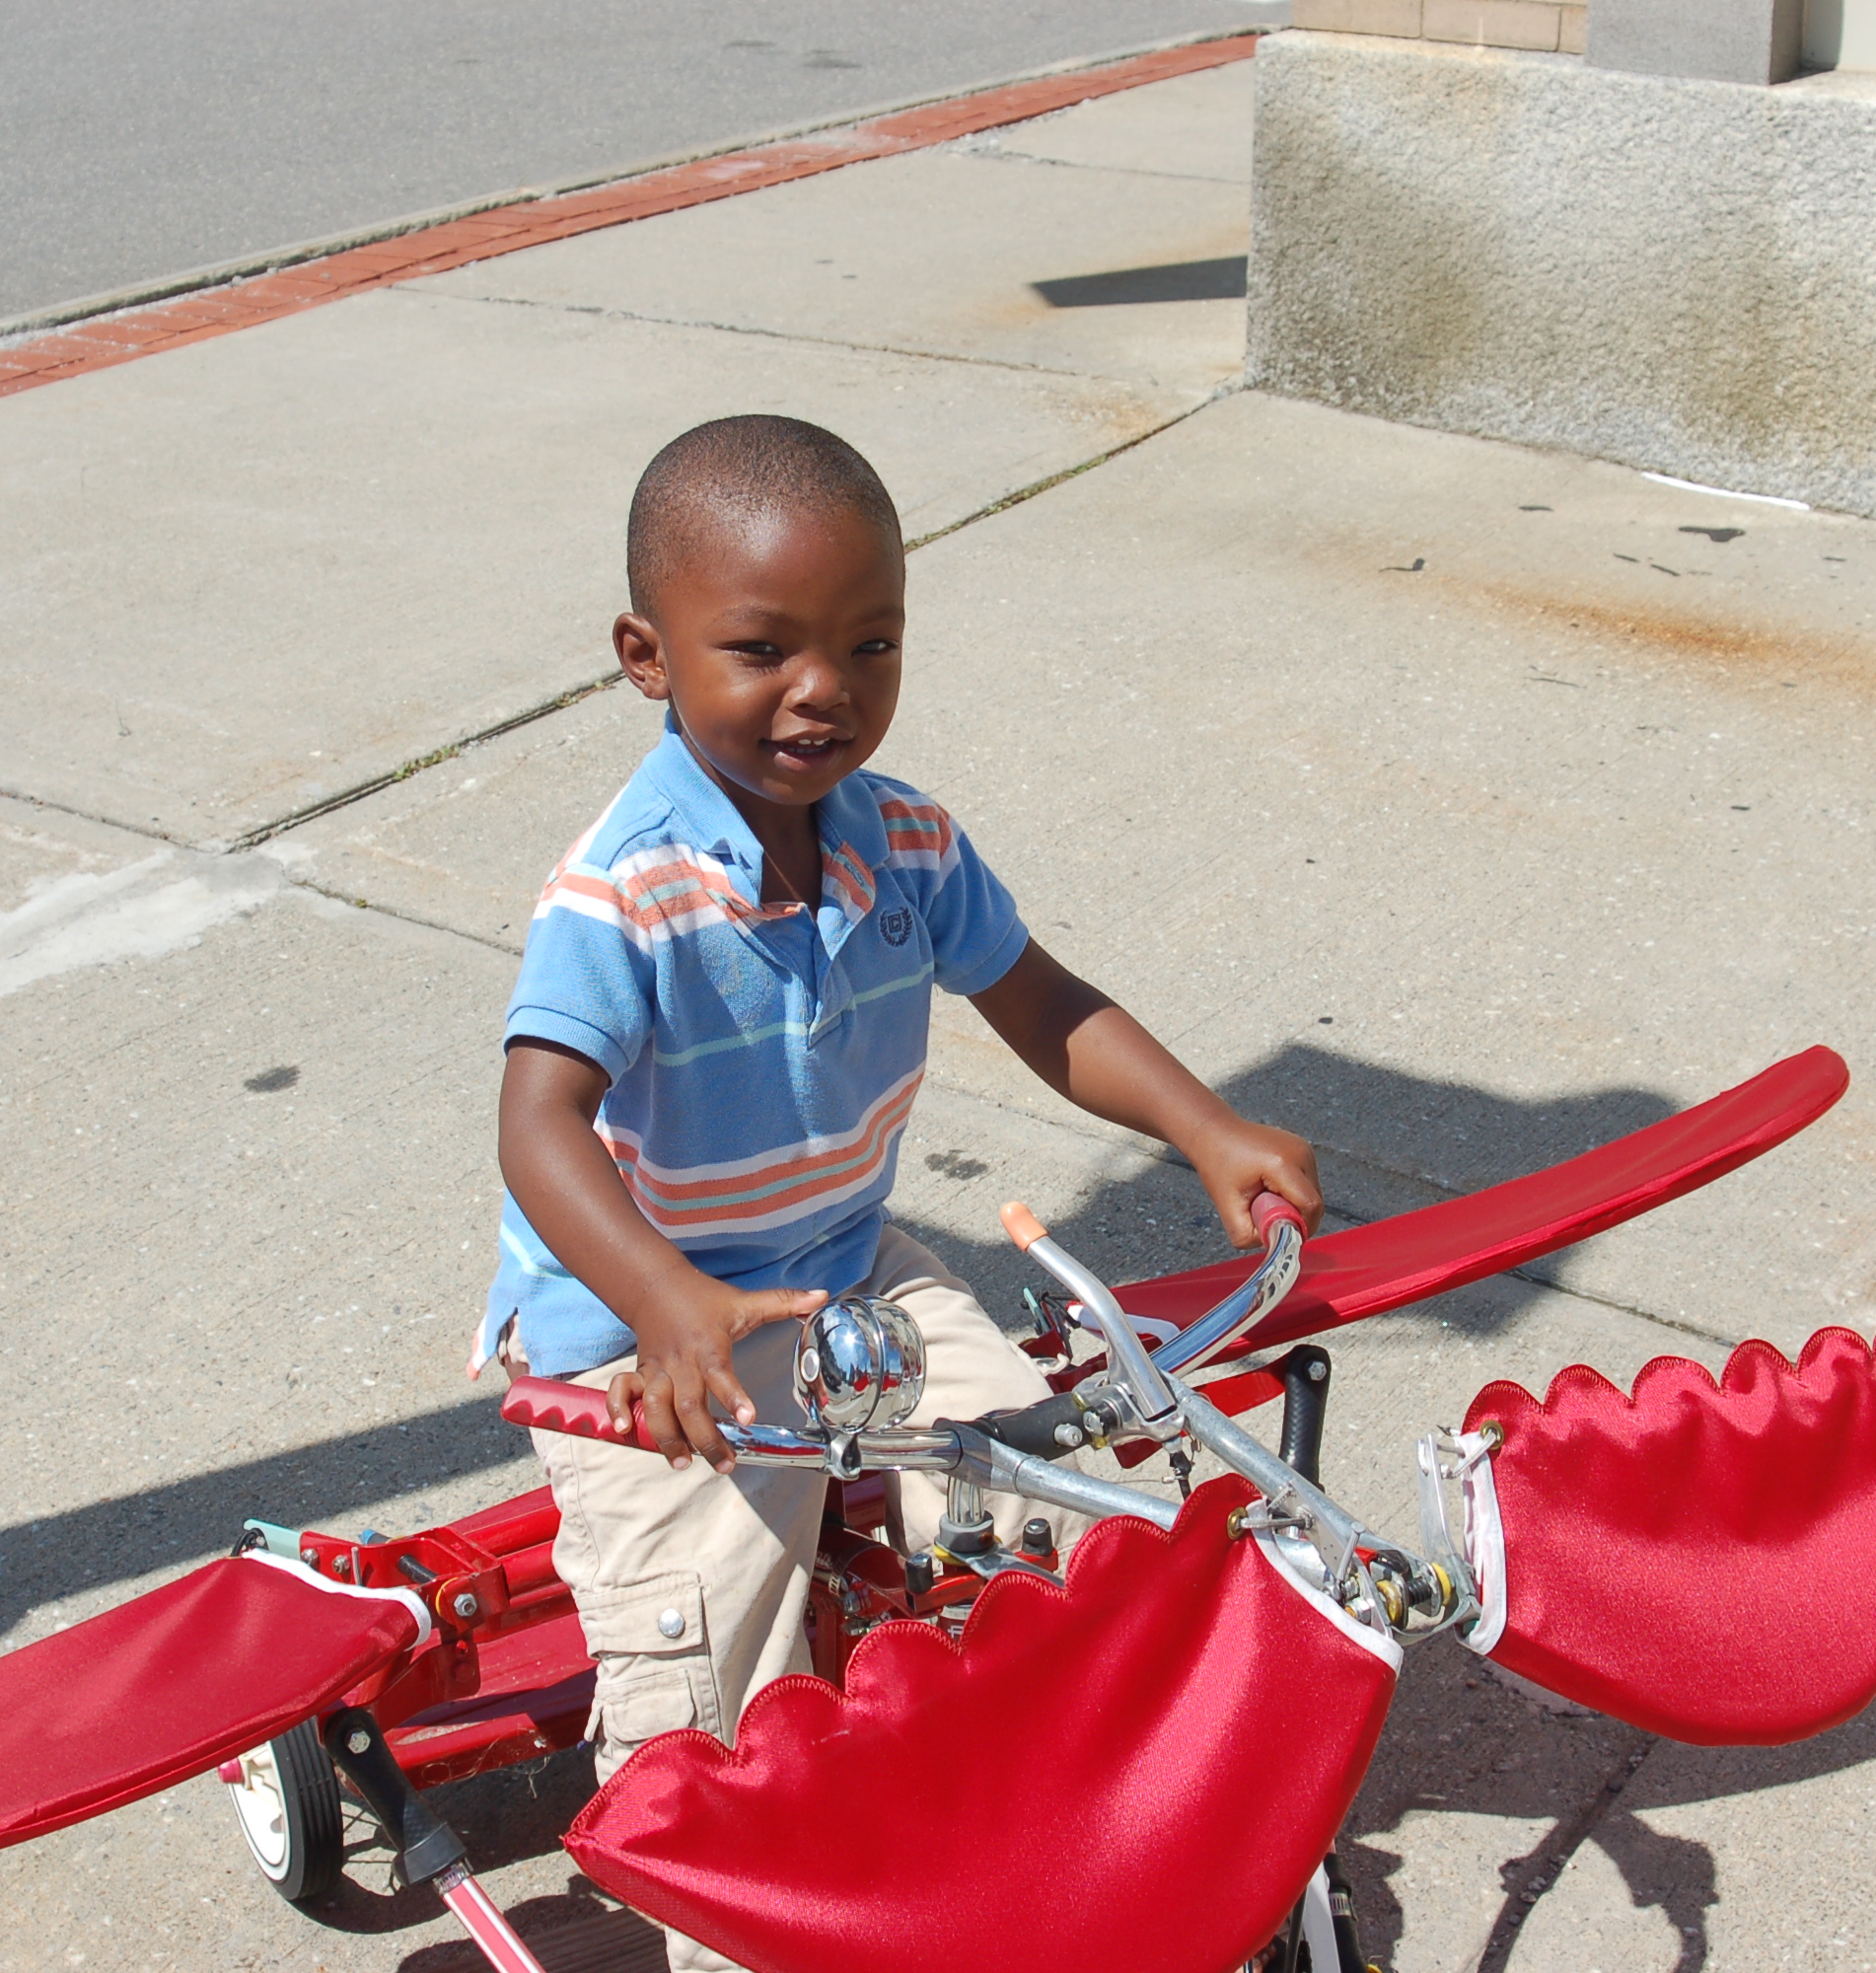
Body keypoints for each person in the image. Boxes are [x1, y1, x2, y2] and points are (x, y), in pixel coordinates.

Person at [479, 413, 1319, 1970]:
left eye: (871, 643)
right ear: (647, 657)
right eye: (763, 649)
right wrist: (664, 1303)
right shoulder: (625, 890)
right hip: (646, 1316)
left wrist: (1203, 1127)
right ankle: (727, 1898)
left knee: (1048, 1486)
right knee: (714, 1622)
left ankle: (1028, 1808)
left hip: (846, 1263)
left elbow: (1044, 1002)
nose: (827, 689)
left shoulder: (909, 842)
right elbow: (539, 1125)